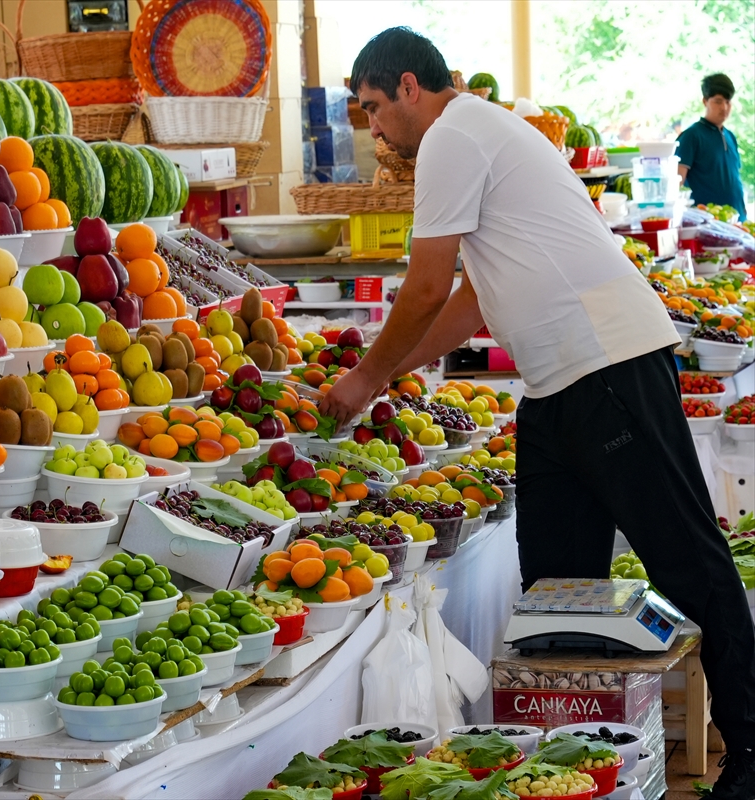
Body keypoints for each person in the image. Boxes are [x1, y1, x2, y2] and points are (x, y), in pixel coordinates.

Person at [319, 27, 755, 799]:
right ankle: (579, 770)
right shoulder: (478, 129)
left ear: (410, 87)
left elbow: (426, 285)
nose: (376, 129)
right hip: (556, 390)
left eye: (375, 107)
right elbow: (472, 298)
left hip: (610, 366)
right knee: (555, 596)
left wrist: (365, 377)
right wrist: (392, 371)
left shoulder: (452, 135)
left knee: (688, 562)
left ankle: (751, 751)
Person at [677, 73, 746, 221]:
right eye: (718, 101)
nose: (724, 107)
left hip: (737, 221)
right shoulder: (691, 136)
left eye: (728, 102)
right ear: (705, 101)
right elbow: (677, 183)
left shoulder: (730, 137)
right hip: (706, 223)